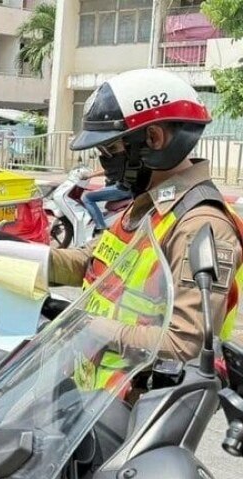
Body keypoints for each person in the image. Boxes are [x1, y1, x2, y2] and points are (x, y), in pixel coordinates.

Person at [51, 68, 243, 363]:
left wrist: (86, 327)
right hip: (104, 395)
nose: (105, 160)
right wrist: (7, 255)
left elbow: (185, 345)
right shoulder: (147, 205)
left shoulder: (201, 225)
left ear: (153, 138)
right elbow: (92, 262)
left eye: (111, 148)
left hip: (148, 401)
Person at [79, 163, 132, 234]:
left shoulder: (123, 159)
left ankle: (101, 227)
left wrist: (89, 176)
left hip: (123, 189)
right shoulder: (129, 158)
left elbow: (108, 171)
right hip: (124, 187)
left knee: (87, 197)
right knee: (108, 206)